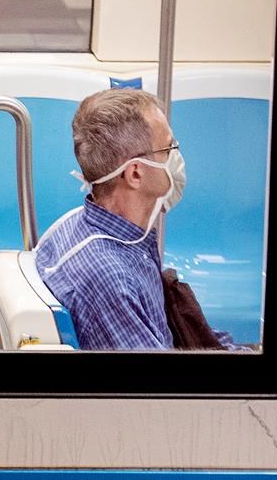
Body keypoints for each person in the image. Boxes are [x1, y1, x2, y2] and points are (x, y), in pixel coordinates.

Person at [34, 88, 244, 351]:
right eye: (169, 148)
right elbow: (158, 391)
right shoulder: (111, 279)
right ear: (135, 173)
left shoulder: (98, 233)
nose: (176, 158)